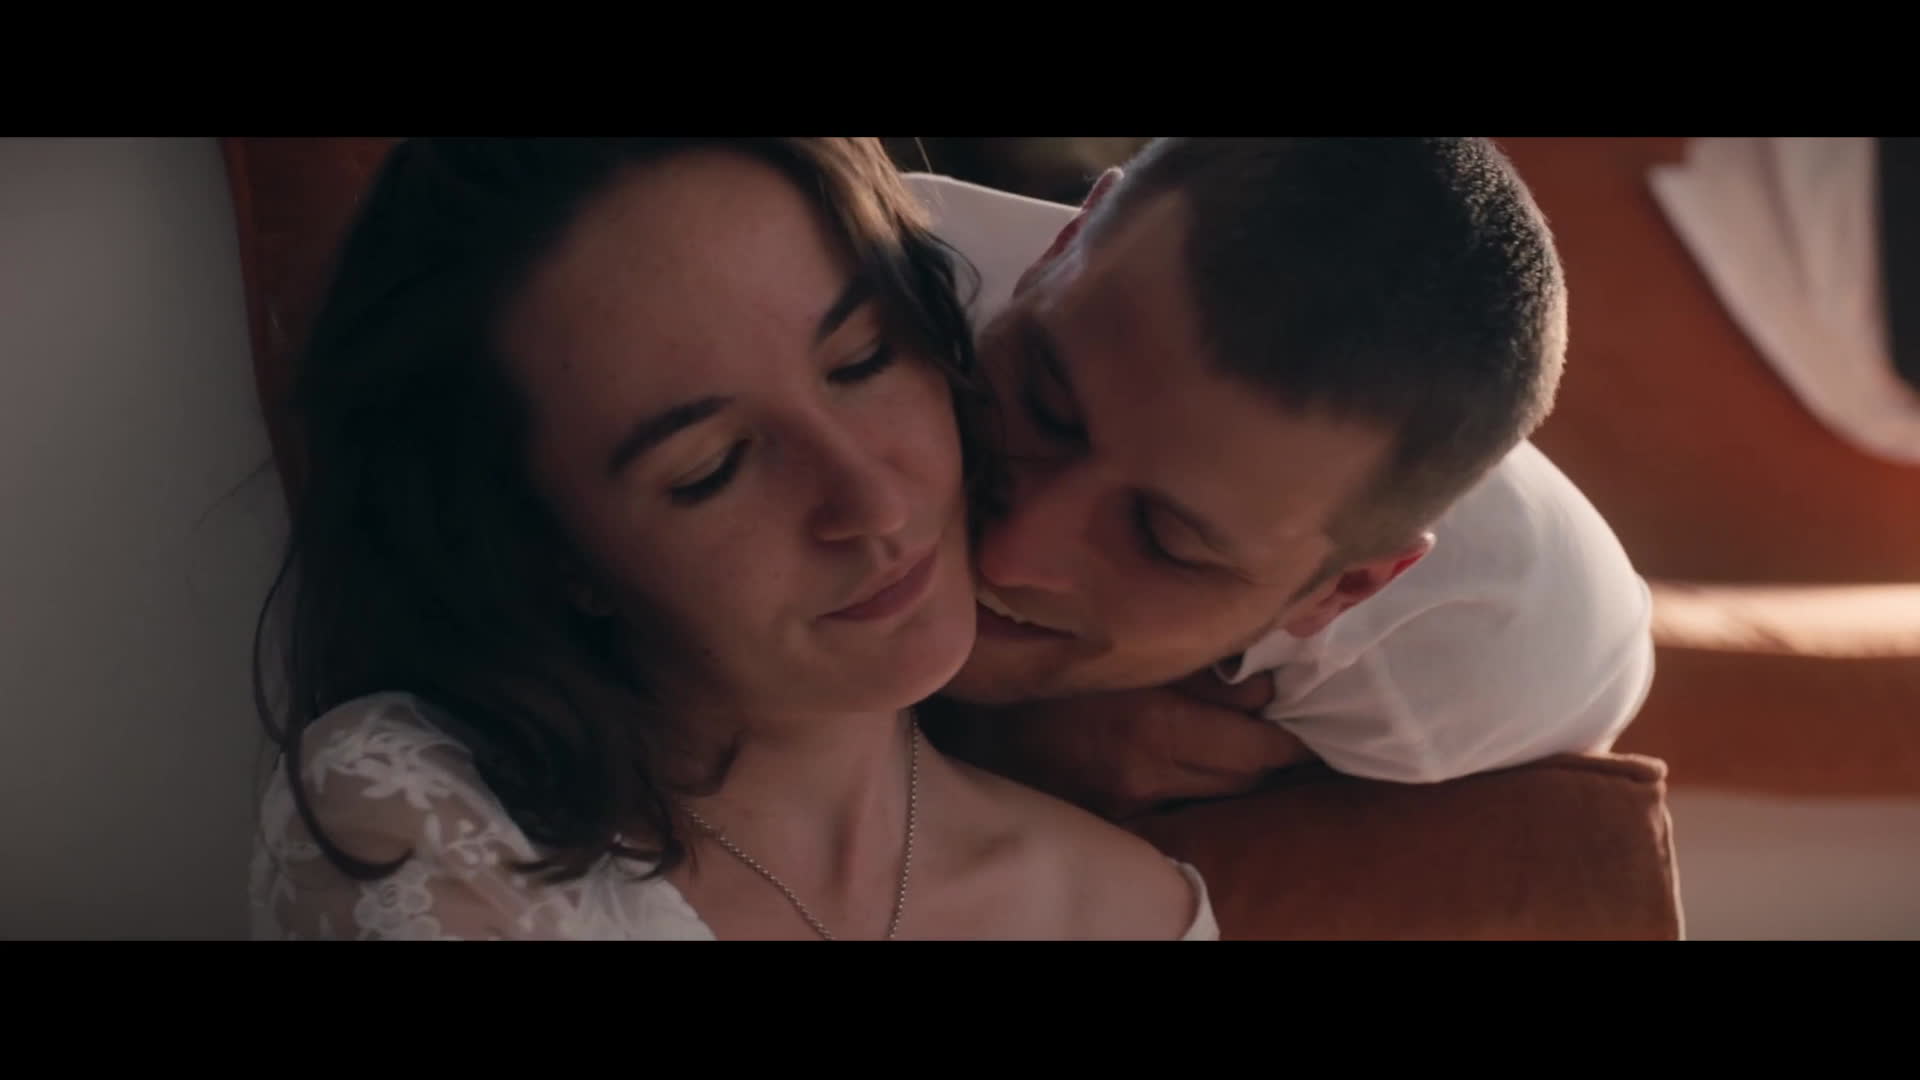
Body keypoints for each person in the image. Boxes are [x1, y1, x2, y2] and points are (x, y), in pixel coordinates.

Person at [247, 137, 1216, 940]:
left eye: (865, 359)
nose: (874, 502)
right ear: (558, 557)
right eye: (710, 468)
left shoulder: (1138, 913)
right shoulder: (421, 820)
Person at [907, 138, 1655, 817]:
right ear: (1064, 242)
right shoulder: (871, 278)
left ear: (1343, 590)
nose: (1009, 553)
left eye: (1165, 541)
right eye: (1045, 411)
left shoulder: (1483, 653)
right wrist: (964, 733)